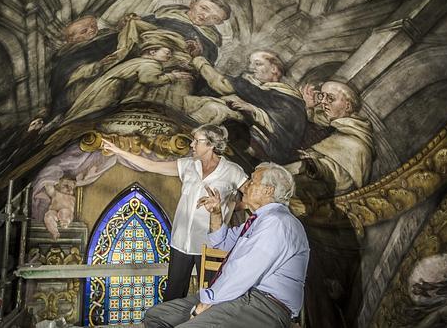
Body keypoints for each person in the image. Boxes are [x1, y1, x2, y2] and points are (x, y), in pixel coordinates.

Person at [143, 162, 309, 328]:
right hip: (239, 295)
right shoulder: (258, 222)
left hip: (265, 304)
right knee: (156, 316)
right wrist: (216, 213)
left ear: (268, 190)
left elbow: (243, 271)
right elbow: (222, 244)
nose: (246, 186)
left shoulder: (278, 223)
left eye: (252, 182)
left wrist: (206, 303)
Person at [102, 124, 247, 301]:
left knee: (212, 296)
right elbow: (151, 165)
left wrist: (228, 207)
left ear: (210, 145)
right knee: (173, 296)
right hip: (181, 242)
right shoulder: (187, 165)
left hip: (211, 245)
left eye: (197, 141)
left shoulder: (232, 171)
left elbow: (252, 197)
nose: (192, 145)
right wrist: (119, 151)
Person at [49, 0, 231, 114]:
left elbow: (205, 66)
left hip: (178, 68)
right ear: (192, 4)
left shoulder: (210, 41)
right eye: (204, 9)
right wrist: (128, 25)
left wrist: (197, 54)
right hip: (141, 56)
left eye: (215, 18)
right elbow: (132, 32)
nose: (205, 17)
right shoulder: (161, 16)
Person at [185, 50, 308, 164]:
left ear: (274, 68)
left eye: (258, 64)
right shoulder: (257, 85)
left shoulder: (289, 97)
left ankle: (187, 144)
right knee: (203, 103)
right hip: (247, 125)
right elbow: (223, 85)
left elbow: (285, 125)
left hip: (267, 143)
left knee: (215, 109)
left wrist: (252, 109)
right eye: (251, 63)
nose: (251, 68)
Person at [62, 30, 193, 124]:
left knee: (86, 112)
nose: (169, 56)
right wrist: (172, 76)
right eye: (167, 53)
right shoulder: (150, 63)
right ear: (153, 52)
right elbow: (148, 80)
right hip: (108, 92)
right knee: (91, 113)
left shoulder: (136, 61)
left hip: (101, 87)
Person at [284, 80, 374, 197]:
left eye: (331, 98)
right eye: (322, 96)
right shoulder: (324, 121)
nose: (324, 102)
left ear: (347, 105)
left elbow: (344, 182)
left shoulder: (357, 145)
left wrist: (316, 166)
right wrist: (306, 107)